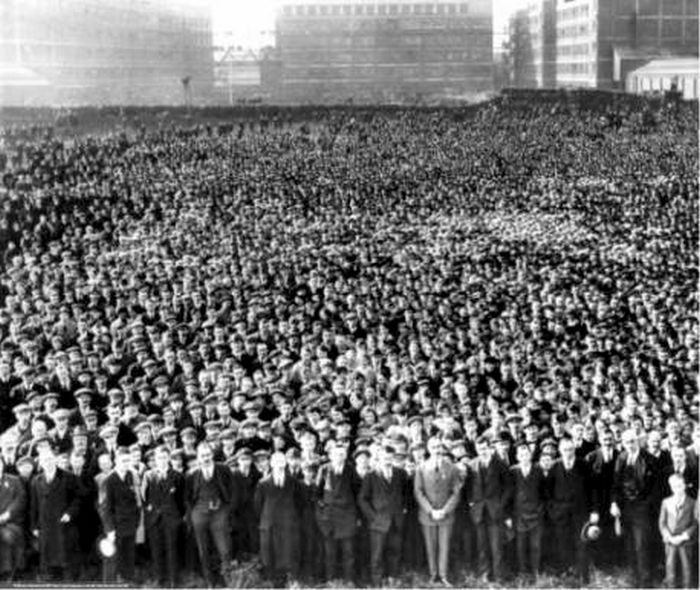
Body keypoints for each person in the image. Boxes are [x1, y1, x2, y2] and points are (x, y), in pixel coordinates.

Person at [185, 441, 236, 588]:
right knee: (203, 550)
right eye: (202, 456)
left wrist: (227, 510)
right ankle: (210, 582)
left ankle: (226, 579)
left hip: (219, 514)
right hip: (200, 515)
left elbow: (233, 492)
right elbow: (187, 498)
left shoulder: (224, 469)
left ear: (212, 454)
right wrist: (193, 514)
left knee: (224, 549)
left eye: (208, 455)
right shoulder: (192, 474)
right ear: (198, 457)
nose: (206, 458)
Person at [414, 437, 463, 587]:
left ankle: (443, 575)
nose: (437, 450)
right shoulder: (421, 467)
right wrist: (430, 510)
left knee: (444, 546)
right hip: (427, 515)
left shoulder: (452, 468)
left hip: (445, 515)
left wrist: (445, 510)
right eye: (434, 447)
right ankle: (432, 574)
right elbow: (418, 491)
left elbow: (456, 493)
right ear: (429, 449)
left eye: (439, 447)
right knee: (430, 546)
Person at [611, 429, 657, 587]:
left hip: (642, 508)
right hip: (625, 508)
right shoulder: (621, 457)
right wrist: (614, 503)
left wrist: (645, 505)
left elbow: (655, 488)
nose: (629, 445)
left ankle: (645, 581)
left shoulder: (649, 459)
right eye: (626, 442)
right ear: (622, 443)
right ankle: (633, 578)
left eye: (632, 441)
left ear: (637, 441)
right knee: (629, 544)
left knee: (642, 545)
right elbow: (616, 484)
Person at [358, 444, 410, 586]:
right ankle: (377, 582)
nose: (387, 461)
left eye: (390, 458)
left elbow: (406, 494)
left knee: (395, 551)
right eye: (384, 458)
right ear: (379, 458)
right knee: (377, 554)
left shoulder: (401, 473)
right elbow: (362, 499)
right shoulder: (371, 476)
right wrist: (373, 516)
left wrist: (403, 509)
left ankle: (392, 578)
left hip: (396, 520)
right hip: (378, 522)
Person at [30, 448, 81, 581]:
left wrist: (70, 513)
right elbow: (33, 505)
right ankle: (49, 577)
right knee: (47, 554)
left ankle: (68, 578)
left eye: (50, 459)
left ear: (55, 460)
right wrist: (34, 526)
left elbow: (78, 498)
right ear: (40, 463)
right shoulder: (36, 481)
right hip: (45, 524)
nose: (48, 463)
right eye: (45, 460)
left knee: (64, 553)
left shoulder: (69, 477)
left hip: (62, 523)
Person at [253, 451, 303, 585]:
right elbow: (258, 506)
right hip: (270, 524)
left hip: (288, 524)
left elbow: (299, 503)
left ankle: (290, 581)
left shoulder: (293, 482)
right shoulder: (263, 483)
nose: (279, 465)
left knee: (288, 553)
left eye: (282, 462)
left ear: (286, 463)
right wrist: (265, 520)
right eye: (276, 462)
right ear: (271, 464)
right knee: (271, 555)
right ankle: (273, 582)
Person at [548, 437, 593, 584]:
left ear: (575, 449)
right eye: (565, 450)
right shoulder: (554, 466)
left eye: (571, 449)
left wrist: (593, 511)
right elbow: (547, 491)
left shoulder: (584, 465)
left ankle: (583, 576)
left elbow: (592, 490)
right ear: (560, 451)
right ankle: (566, 574)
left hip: (580, 512)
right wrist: (553, 510)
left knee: (582, 543)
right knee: (563, 543)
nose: (568, 453)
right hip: (560, 513)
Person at [468, 435, 512, 583]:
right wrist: (472, 503)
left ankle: (499, 575)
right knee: (482, 545)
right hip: (479, 512)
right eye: (480, 449)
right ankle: (485, 574)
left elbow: (508, 487)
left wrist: (501, 504)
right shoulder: (472, 464)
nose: (483, 451)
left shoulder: (500, 464)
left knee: (496, 545)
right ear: (476, 449)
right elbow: (468, 487)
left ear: (490, 448)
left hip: (495, 511)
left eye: (485, 448)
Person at [315, 442, 360, 584]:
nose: (339, 457)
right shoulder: (324, 469)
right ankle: (330, 580)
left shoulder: (351, 470)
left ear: (346, 456)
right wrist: (323, 512)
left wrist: (356, 515)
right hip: (329, 518)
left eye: (342, 454)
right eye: (336, 454)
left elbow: (358, 492)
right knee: (330, 552)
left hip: (347, 516)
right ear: (331, 456)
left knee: (349, 552)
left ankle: (349, 580)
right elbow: (317, 494)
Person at [141, 445, 185, 588]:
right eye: (159, 458)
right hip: (154, 519)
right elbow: (144, 496)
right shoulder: (149, 475)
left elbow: (181, 499)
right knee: (156, 549)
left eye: (165, 457)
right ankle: (160, 579)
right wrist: (150, 511)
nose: (162, 460)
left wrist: (178, 516)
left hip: (171, 518)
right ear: (155, 459)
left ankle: (174, 580)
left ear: (169, 459)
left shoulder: (177, 476)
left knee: (172, 548)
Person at [102, 447, 141, 584]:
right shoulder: (109, 480)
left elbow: (135, 500)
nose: (126, 464)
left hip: (130, 524)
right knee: (112, 559)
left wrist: (136, 521)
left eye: (128, 461)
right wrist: (110, 530)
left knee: (128, 557)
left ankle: (128, 582)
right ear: (116, 461)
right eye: (123, 461)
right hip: (116, 526)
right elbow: (106, 508)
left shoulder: (131, 476)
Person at [509, 442, 546, 579]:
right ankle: (523, 572)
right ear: (517, 457)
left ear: (531, 455)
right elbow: (509, 494)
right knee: (521, 545)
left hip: (536, 513)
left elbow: (544, 491)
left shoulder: (538, 470)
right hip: (519, 514)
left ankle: (536, 571)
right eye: (521, 455)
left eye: (527, 454)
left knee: (536, 545)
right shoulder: (513, 471)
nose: (524, 457)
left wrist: (540, 509)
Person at [658, 473, 697, 589]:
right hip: (670, 541)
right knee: (670, 567)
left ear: (684, 486)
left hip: (685, 541)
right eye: (674, 486)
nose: (677, 489)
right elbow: (662, 522)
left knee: (687, 568)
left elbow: (695, 523)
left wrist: (684, 536)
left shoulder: (693, 503)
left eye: (680, 486)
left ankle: (687, 587)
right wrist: (668, 536)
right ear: (670, 487)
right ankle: (671, 586)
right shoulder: (666, 502)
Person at [0, 455, 25, 581]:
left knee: (8, 536)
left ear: (2, 466)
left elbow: (20, 500)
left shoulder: (14, 480)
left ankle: (9, 572)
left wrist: (7, 514)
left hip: (11, 522)